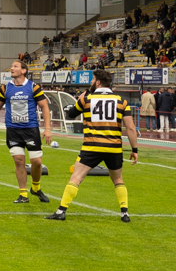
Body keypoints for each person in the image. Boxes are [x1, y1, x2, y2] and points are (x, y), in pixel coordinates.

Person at [47, 69, 137, 223]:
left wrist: (80, 99)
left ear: (98, 82)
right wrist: (134, 149)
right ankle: (124, 213)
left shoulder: (87, 99)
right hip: (114, 147)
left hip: (92, 146)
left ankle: (61, 211)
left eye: (92, 80)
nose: (90, 83)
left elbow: (70, 114)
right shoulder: (122, 101)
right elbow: (130, 128)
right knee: (118, 179)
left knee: (76, 177)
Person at [0, 59, 53, 204]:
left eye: (15, 66)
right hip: (13, 130)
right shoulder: (6, 88)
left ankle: (35, 187)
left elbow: (44, 107)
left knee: (36, 162)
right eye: (11, 66)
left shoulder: (33, 87)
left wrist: (47, 129)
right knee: (19, 161)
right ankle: (23, 194)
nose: (11, 68)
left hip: (31, 129)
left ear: (24, 71)